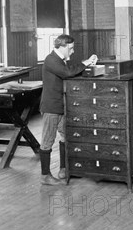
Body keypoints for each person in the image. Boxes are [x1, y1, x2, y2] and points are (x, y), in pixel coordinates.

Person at [40, 34, 97, 186]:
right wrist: (85, 63)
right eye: (70, 48)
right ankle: (45, 175)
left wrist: (86, 64)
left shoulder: (60, 60)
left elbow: (69, 71)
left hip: (61, 106)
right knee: (47, 142)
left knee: (66, 137)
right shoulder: (51, 59)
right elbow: (67, 73)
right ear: (62, 47)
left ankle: (64, 169)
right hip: (51, 107)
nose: (72, 51)